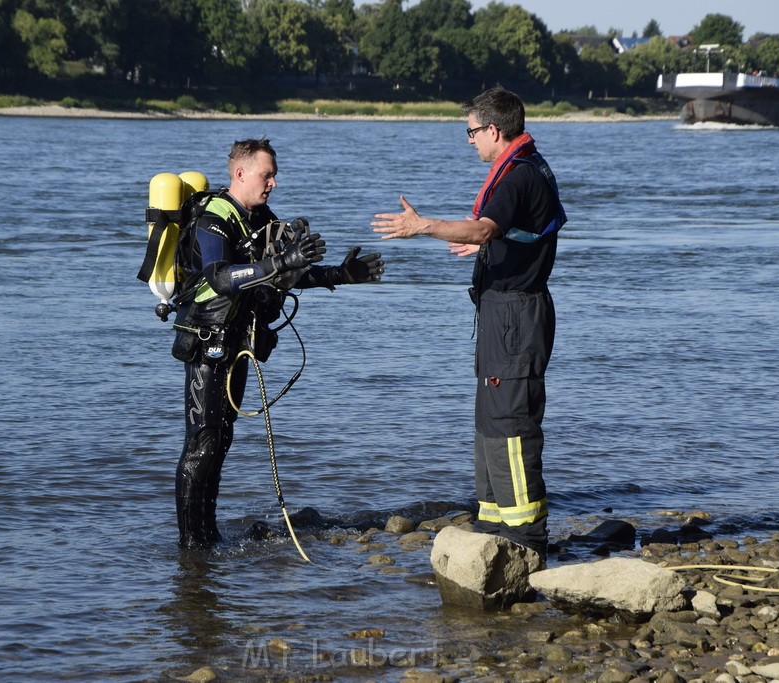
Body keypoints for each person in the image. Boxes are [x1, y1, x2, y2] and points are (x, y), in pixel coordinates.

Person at [371, 87, 566, 562]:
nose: (470, 141)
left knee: (511, 422)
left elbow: (484, 227)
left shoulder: (519, 176)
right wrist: (484, 246)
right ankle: (493, 521)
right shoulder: (526, 167)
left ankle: (526, 539)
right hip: (504, 312)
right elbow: (500, 233)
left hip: (516, 316)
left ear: (494, 131)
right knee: (489, 420)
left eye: (472, 132)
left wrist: (424, 226)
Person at [172, 138, 384, 549]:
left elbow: (288, 275)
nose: (273, 183)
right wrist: (281, 262)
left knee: (222, 438)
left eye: (274, 175)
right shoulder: (214, 218)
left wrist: (340, 274)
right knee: (203, 440)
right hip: (206, 341)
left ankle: (207, 534)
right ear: (240, 173)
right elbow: (219, 276)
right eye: (266, 175)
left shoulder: (260, 218)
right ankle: (190, 544)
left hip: (238, 342)